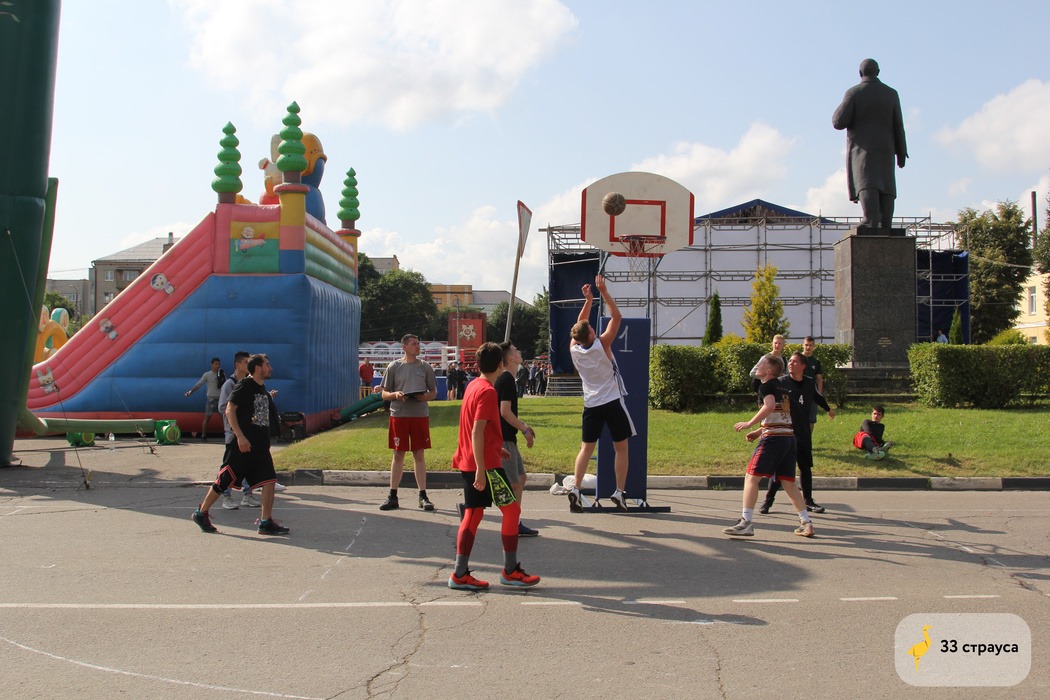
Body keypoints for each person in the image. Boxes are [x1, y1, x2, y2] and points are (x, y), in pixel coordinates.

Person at [449, 342, 540, 590]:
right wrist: (482, 467)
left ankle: (460, 573)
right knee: (511, 511)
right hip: (484, 466)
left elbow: (474, 427)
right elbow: (476, 431)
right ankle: (510, 571)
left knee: (474, 514)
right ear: (500, 365)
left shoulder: (473, 385)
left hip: (472, 460)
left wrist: (495, 447)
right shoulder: (488, 392)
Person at [191, 354, 289, 535]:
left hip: (259, 446)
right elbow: (229, 410)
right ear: (258, 368)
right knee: (224, 481)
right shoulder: (244, 385)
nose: (271, 368)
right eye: (267, 365)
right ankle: (201, 513)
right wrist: (240, 436)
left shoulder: (261, 388)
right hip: (242, 445)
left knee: (269, 481)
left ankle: (265, 522)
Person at [724, 353, 814, 538]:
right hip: (788, 438)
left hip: (774, 440)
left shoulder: (765, 386)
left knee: (751, 478)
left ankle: (746, 522)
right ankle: (806, 522)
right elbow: (783, 414)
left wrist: (749, 423)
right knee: (788, 482)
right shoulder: (784, 387)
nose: (758, 366)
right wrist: (759, 431)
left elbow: (770, 406)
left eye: (761, 364)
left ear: (769, 371)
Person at [566, 275, 635, 513]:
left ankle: (576, 488)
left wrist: (588, 300)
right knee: (621, 448)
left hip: (591, 404)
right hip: (612, 401)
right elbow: (616, 317)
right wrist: (603, 292)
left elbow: (580, 325)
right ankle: (619, 491)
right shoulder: (602, 344)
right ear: (591, 335)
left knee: (586, 448)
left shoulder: (574, 350)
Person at [832, 58, 908, 229]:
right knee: (886, 184)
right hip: (887, 148)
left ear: (860, 73)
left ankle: (870, 219)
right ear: (878, 72)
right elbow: (899, 125)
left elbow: (838, 122)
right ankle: (886, 223)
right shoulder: (891, 94)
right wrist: (901, 152)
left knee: (867, 181)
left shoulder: (854, 93)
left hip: (863, 149)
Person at [757, 351, 835, 515]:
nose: (791, 364)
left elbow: (817, 396)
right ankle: (768, 501)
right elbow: (770, 405)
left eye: (794, 362)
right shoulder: (781, 383)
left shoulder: (809, 382)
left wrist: (828, 409)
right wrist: (760, 429)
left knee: (805, 467)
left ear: (803, 366)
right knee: (781, 469)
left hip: (803, 431)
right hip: (786, 431)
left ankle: (809, 501)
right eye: (790, 361)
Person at [379, 334, 438, 511]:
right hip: (399, 415)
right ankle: (392, 495)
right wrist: (395, 395)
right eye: (414, 344)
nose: (418, 346)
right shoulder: (394, 366)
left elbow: (433, 392)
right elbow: (384, 393)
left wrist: (425, 397)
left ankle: (423, 496)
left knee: (419, 453)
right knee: (398, 454)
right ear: (404, 347)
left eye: (418, 343)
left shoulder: (425, 367)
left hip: (419, 415)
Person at [495, 341, 539, 536]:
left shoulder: (507, 379)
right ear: (511, 358)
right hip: (505, 439)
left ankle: (515, 521)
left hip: (508, 438)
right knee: (513, 483)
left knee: (520, 479)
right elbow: (504, 412)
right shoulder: (506, 379)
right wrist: (524, 430)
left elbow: (507, 412)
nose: (519, 351)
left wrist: (523, 425)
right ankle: (512, 523)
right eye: (515, 350)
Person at [185, 357, 224, 441]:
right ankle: (203, 435)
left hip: (219, 399)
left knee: (223, 418)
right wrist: (191, 391)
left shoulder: (221, 374)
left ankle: (226, 434)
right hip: (211, 399)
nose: (217, 366)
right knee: (207, 417)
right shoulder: (207, 374)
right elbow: (199, 384)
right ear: (212, 364)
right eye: (216, 364)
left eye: (218, 364)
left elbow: (225, 385)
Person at [801, 336, 824, 433]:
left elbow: (819, 380)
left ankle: (808, 439)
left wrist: (819, 395)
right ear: (803, 345)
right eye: (806, 345)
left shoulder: (816, 362)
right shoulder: (797, 359)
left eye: (810, 345)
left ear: (814, 346)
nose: (808, 347)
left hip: (811, 393)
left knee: (811, 419)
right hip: (798, 392)